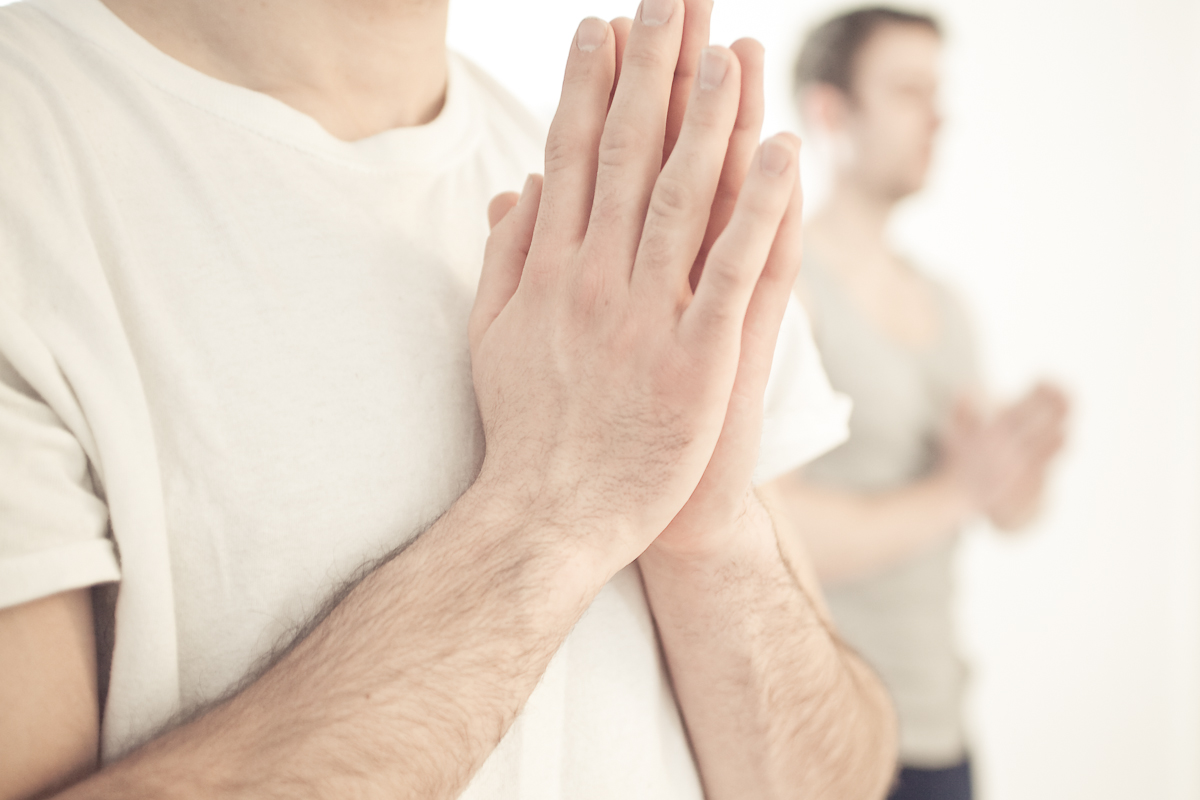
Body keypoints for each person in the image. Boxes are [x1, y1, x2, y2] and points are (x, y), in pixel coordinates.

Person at [0, 0, 899, 798]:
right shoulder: (31, 154)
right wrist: (555, 510)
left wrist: (708, 532)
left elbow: (835, 782)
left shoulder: (629, 206)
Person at [764, 7, 1070, 800]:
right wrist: (958, 492)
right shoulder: (785, 288)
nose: (938, 115)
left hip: (941, 726)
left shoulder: (946, 302)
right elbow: (768, 525)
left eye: (937, 91)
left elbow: (1003, 511)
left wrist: (1015, 470)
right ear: (831, 111)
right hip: (829, 733)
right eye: (907, 90)